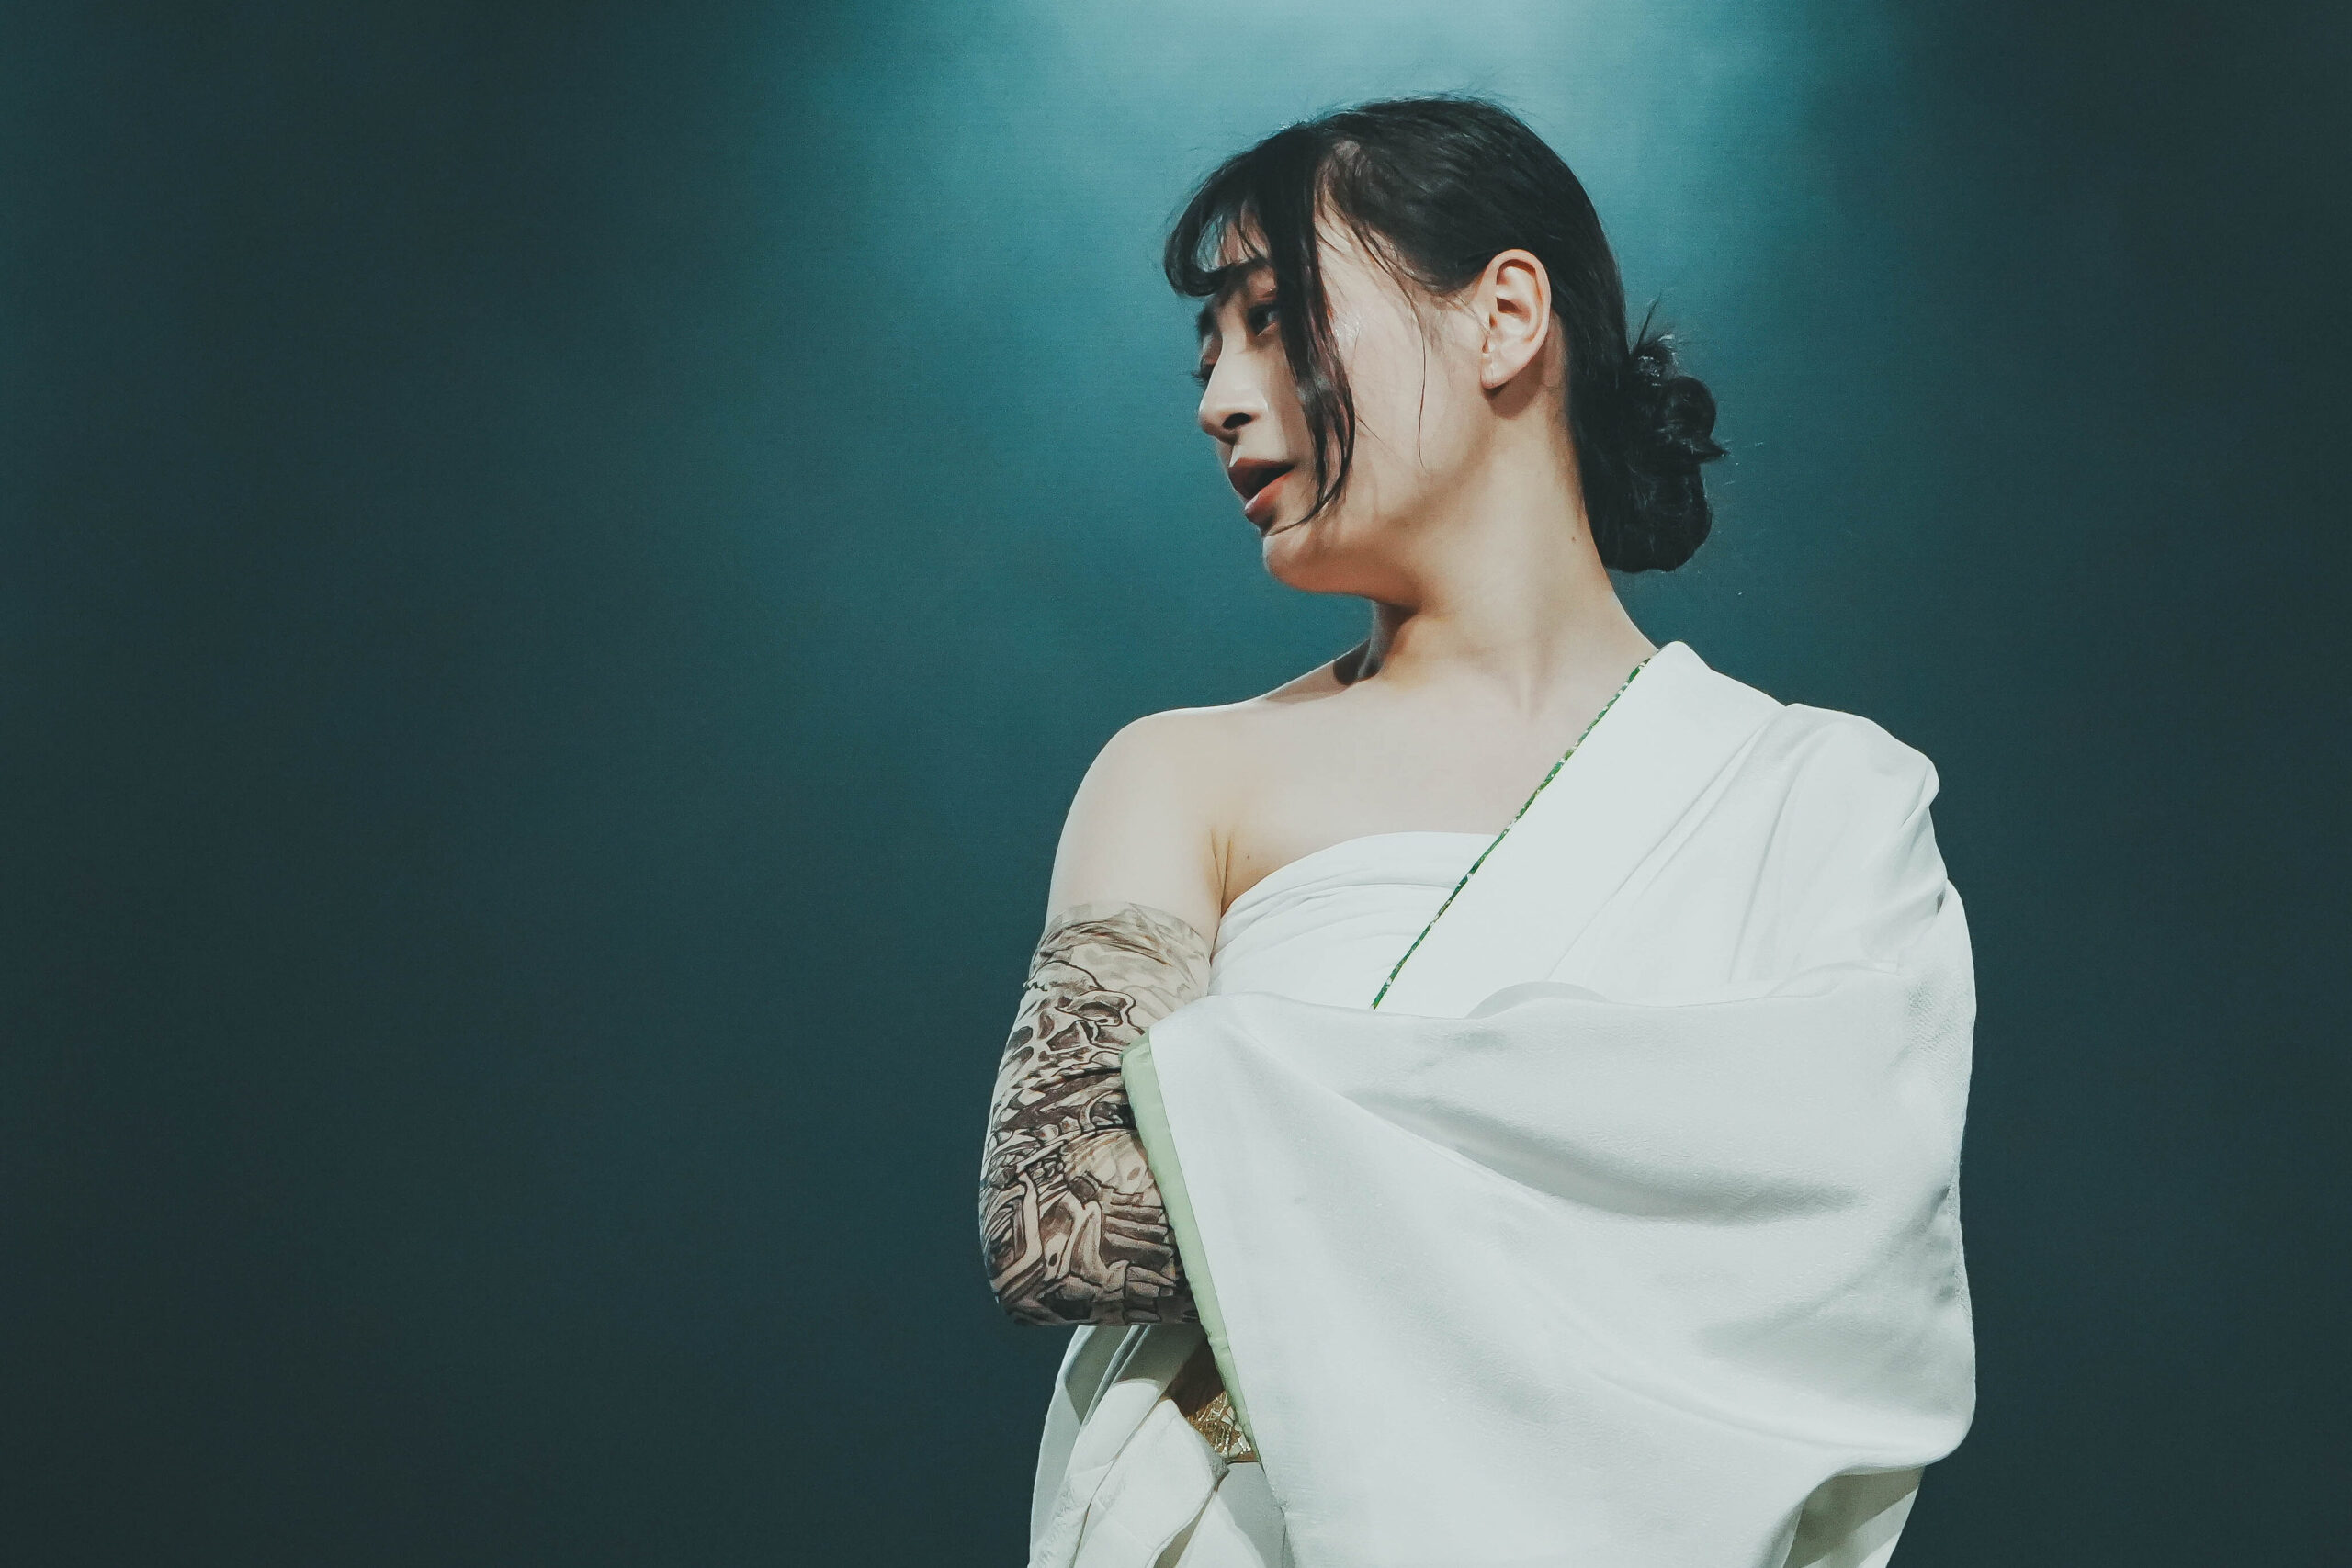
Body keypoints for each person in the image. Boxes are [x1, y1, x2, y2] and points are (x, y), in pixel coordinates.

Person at [978, 96, 1975, 1568]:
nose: (1221, 400)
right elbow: (1051, 1214)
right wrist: (1604, 1163)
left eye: (1274, 319)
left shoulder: (1817, 801)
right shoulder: (1187, 775)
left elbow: (1849, 1259)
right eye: (1209, 354)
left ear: (1505, 315)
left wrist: (1257, 1102)